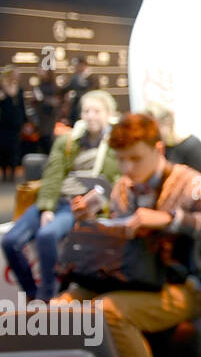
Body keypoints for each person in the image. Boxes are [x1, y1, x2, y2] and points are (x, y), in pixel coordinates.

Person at [56, 113, 201, 357]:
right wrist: (92, 219)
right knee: (62, 307)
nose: (128, 169)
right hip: (133, 280)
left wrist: (171, 220)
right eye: (121, 160)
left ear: (158, 149)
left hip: (186, 288)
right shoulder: (123, 188)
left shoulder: (190, 183)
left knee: (109, 310)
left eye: (135, 159)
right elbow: (119, 240)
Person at [2, 90, 120, 301]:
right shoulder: (68, 141)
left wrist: (98, 205)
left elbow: (115, 181)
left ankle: (48, 296)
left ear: (108, 113)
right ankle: (32, 293)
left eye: (96, 111)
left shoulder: (115, 145)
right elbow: (53, 176)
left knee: (46, 236)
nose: (91, 116)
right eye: (86, 111)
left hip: (81, 205)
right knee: (10, 240)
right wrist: (47, 207)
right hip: (58, 199)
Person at [143, 104, 201, 181]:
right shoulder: (157, 147)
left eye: (154, 128)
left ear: (168, 123)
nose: (151, 134)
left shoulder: (192, 147)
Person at [0, 70, 27, 182]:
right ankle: (5, 172)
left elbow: (22, 107)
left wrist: (25, 122)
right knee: (3, 149)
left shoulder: (19, 89)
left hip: (15, 125)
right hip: (3, 125)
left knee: (14, 149)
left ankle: (12, 172)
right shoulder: (2, 89)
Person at [32, 70, 62, 155]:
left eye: (42, 71)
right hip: (41, 117)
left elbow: (57, 101)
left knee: (48, 139)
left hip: (50, 117)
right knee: (42, 140)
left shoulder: (53, 86)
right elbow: (36, 101)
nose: (39, 73)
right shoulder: (39, 86)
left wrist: (46, 100)